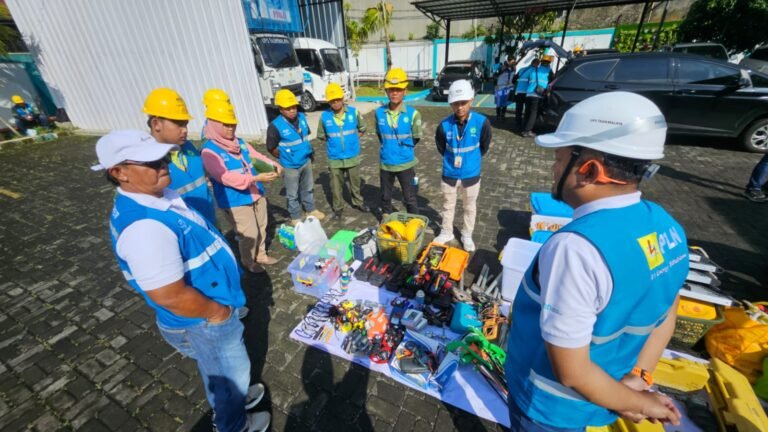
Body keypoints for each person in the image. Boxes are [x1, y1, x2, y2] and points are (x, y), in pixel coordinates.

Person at [505, 92, 689, 431]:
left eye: (559, 158)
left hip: (547, 409)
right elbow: (668, 310)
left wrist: (638, 402)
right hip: (602, 399)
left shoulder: (575, 249)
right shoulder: (666, 225)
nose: (553, 168)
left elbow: (572, 371)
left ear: (590, 170)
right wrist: (639, 378)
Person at [94, 130, 270, 432]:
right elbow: (169, 295)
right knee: (227, 379)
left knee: (229, 367)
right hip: (204, 317)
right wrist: (217, 312)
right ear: (119, 172)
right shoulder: (144, 228)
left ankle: (239, 396)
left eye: (163, 157)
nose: (164, 165)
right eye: (151, 162)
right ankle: (234, 423)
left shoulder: (158, 197)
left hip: (211, 308)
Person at [201, 101, 282, 273]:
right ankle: (249, 262)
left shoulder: (240, 142)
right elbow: (224, 177)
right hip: (235, 200)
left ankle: (261, 255)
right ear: (214, 124)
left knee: (262, 226)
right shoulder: (209, 151)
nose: (231, 128)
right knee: (249, 233)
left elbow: (256, 156)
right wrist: (254, 178)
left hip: (255, 193)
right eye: (226, 124)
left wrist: (273, 165)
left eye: (233, 124)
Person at [143, 88, 217, 225]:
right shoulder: (145, 163)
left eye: (185, 124)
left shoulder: (188, 146)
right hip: (184, 230)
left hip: (208, 222)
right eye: (178, 124)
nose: (185, 130)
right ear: (156, 124)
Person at [434, 80, 492, 253]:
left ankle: (467, 234)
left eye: (463, 102)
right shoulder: (444, 125)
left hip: (471, 174)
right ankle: (446, 232)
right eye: (456, 103)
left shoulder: (482, 123)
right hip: (450, 173)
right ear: (451, 104)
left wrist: (471, 161)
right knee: (447, 205)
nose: (460, 107)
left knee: (469, 206)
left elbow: (484, 146)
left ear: (471, 100)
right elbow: (441, 148)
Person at [267, 89, 325, 225]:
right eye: (288, 108)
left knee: (308, 188)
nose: (292, 110)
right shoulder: (275, 126)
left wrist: (308, 153)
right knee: (292, 194)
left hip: (305, 161)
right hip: (290, 166)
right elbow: (271, 147)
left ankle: (311, 210)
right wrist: (286, 157)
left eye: (294, 107)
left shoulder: (302, 118)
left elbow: (304, 137)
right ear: (281, 109)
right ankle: (295, 217)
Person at [316, 83, 370, 220]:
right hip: (335, 158)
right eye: (332, 101)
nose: (335, 103)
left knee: (355, 183)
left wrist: (353, 140)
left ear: (342, 98)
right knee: (335, 186)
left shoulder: (354, 112)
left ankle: (358, 202)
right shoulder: (324, 117)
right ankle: (338, 208)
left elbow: (362, 128)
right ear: (328, 102)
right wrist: (334, 143)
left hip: (352, 155)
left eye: (338, 99)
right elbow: (321, 135)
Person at [375, 67, 422, 217]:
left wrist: (402, 149)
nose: (394, 93)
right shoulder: (379, 113)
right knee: (385, 196)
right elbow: (380, 135)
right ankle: (386, 218)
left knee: (410, 197)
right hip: (386, 162)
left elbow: (416, 137)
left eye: (398, 89)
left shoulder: (413, 114)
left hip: (405, 163)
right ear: (386, 91)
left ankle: (414, 220)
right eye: (391, 89)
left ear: (405, 91)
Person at [521, 55, 555, 138]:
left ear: (541, 62)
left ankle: (524, 128)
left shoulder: (534, 69)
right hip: (538, 94)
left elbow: (527, 79)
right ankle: (528, 131)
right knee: (534, 113)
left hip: (528, 93)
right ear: (548, 63)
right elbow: (553, 80)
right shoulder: (548, 70)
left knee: (527, 112)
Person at [513, 58, 536, 132]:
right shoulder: (533, 70)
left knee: (518, 109)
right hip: (527, 92)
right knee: (527, 110)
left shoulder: (522, 69)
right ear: (536, 64)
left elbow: (514, 80)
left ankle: (518, 124)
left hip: (518, 92)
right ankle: (525, 125)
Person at [495, 56, 516, 120]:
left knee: (506, 102)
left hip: (508, 87)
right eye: (513, 61)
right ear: (509, 61)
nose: (514, 62)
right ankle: (498, 115)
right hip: (500, 87)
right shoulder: (502, 67)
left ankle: (503, 114)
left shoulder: (513, 68)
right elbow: (496, 75)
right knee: (499, 102)